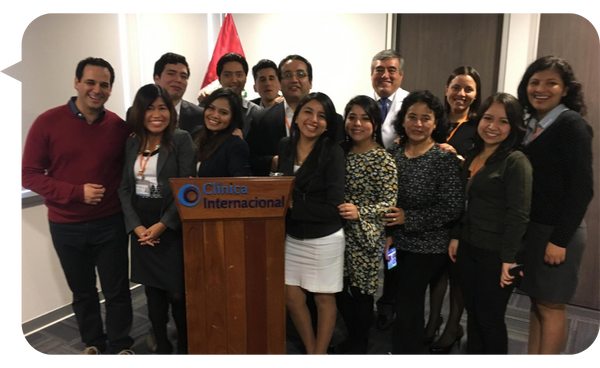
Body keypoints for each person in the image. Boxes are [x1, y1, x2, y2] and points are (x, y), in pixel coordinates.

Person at [20, 57, 135, 358]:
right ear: (76, 82)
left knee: (117, 291)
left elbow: (130, 172)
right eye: (91, 82)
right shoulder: (47, 122)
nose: (97, 90)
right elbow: (27, 173)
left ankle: (122, 345)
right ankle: (93, 343)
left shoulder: (118, 128)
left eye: (104, 84)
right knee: (83, 292)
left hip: (110, 223)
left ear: (111, 89)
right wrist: (75, 193)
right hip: (65, 225)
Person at [516, 56, 594, 358]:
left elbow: (582, 189)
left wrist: (559, 240)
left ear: (565, 89)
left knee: (551, 306)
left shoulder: (571, 125)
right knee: (538, 301)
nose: (541, 89)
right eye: (535, 82)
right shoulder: (534, 124)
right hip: (537, 229)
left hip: (558, 232)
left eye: (551, 83)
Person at [450, 93, 532, 357]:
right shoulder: (473, 155)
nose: (493, 126)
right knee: (473, 312)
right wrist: (456, 236)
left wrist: (510, 259)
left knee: (490, 318)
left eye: (503, 121)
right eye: (487, 118)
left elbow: (519, 215)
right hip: (468, 247)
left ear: (514, 127)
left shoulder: (516, 162)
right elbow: (462, 203)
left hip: (497, 255)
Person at [382, 90, 463, 357]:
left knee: (408, 302)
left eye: (425, 118)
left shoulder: (443, 158)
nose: (418, 124)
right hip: (395, 244)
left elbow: (451, 207)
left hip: (428, 248)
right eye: (412, 117)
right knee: (396, 297)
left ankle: (409, 352)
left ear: (435, 122)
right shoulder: (393, 153)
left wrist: (410, 218)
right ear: (402, 120)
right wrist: (389, 233)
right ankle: (401, 348)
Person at [118, 84, 196, 358]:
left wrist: (163, 224)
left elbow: (186, 190)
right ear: (140, 111)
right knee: (152, 292)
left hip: (170, 223)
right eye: (150, 108)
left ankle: (186, 345)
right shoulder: (131, 142)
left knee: (177, 292)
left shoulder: (181, 139)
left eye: (162, 107)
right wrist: (137, 227)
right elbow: (124, 189)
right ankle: (162, 345)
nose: (156, 114)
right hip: (141, 224)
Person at [277, 92, 345, 358]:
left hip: (324, 237)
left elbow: (333, 206)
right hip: (293, 236)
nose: (313, 120)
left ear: (328, 124)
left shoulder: (333, 152)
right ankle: (310, 349)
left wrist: (293, 205)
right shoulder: (285, 145)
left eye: (321, 116)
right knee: (291, 298)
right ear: (297, 115)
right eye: (308, 112)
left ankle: (319, 354)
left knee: (324, 299)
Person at [334, 96, 398, 357]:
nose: (357, 123)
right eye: (352, 117)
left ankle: (359, 343)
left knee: (361, 295)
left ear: (375, 122)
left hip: (365, 236)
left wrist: (360, 211)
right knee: (336, 289)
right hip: (335, 234)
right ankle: (355, 334)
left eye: (365, 118)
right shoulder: (339, 151)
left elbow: (389, 204)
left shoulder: (383, 159)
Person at [426, 66, 482, 355]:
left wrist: (458, 158)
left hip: (460, 210)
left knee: (456, 272)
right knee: (436, 272)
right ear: (446, 89)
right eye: (456, 87)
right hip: (430, 209)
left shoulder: (478, 127)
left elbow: (481, 167)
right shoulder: (433, 122)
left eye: (468, 89)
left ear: (475, 94)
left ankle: (452, 327)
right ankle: (432, 320)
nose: (461, 94)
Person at [246, 54, 344, 176]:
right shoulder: (261, 119)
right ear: (280, 83)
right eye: (287, 75)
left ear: (310, 82)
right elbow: (250, 159)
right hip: (277, 191)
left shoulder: (334, 120)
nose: (294, 79)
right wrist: (274, 162)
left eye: (301, 74)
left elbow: (340, 162)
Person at [368, 49, 410, 330]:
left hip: (399, 197)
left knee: (392, 255)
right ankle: (365, 302)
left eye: (391, 70)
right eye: (379, 69)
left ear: (400, 74)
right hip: (369, 197)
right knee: (370, 250)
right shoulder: (363, 104)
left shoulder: (410, 104)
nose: (384, 75)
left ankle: (389, 302)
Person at [195, 87, 252, 177]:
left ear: (233, 118)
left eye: (223, 112)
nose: (215, 115)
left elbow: (241, 186)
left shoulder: (236, 145)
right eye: (211, 108)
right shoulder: (195, 135)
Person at [210, 53, 262, 138]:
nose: (234, 80)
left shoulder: (257, 113)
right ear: (219, 79)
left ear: (245, 78)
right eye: (227, 75)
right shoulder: (206, 110)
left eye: (239, 75)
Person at [153, 52, 204, 138]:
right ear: (157, 78)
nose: (178, 80)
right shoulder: (139, 113)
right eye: (171, 73)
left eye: (183, 76)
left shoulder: (200, 115)